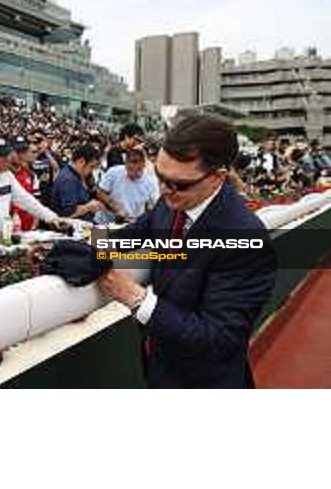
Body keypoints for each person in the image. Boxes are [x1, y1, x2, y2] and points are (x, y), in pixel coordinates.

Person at [99, 115, 276, 389]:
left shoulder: (246, 238)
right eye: (159, 176)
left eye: (178, 183)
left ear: (218, 177)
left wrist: (136, 298)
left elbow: (218, 339)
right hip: (160, 369)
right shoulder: (172, 201)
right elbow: (128, 236)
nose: (164, 190)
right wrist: (81, 244)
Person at [0, 136, 60, 238]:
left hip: (2, 237)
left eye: (7, 154)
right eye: (1, 155)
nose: (7, 158)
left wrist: (52, 217)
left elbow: (25, 199)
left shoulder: (7, 176)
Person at [97, 148, 160, 222]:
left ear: (144, 165)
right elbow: (100, 192)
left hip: (132, 221)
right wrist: (113, 205)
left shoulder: (151, 181)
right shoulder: (114, 172)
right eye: (130, 169)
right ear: (125, 163)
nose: (133, 173)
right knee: (95, 233)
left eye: (138, 170)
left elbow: (153, 207)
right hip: (108, 218)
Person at [51, 143, 104, 221]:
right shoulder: (68, 179)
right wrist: (88, 207)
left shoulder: (75, 175)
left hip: (86, 224)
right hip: (75, 229)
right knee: (107, 233)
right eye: (91, 167)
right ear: (81, 161)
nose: (91, 171)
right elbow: (67, 213)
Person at [10, 136, 42, 231]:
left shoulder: (31, 175)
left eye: (24, 151)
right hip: (8, 227)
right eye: (18, 152)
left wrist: (34, 225)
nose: (21, 155)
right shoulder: (3, 175)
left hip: (28, 227)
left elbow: (36, 201)